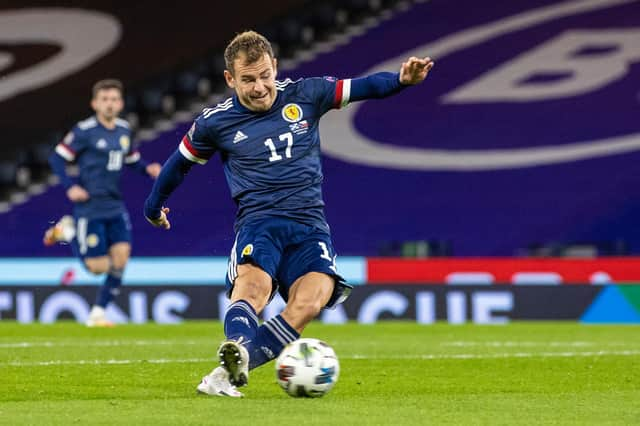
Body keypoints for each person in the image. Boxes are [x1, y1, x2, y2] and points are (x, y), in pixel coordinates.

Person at [144, 31, 434, 397]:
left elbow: (364, 87)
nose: (260, 87)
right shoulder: (214, 123)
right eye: (248, 80)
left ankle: (229, 368)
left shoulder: (306, 94)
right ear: (230, 79)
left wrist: (401, 80)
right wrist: (153, 208)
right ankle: (236, 346)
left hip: (310, 226)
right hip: (259, 224)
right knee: (254, 288)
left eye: (265, 75)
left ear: (275, 68)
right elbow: (177, 166)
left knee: (311, 300)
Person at [45, 79, 161, 327]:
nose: (109, 104)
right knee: (97, 268)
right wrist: (70, 187)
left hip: (115, 205)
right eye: (104, 99)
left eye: (113, 99)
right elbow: (56, 158)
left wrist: (147, 169)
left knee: (121, 260)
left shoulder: (124, 130)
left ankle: (98, 312)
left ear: (120, 103)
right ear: (95, 103)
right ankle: (70, 231)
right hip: (90, 206)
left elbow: (130, 159)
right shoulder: (84, 130)